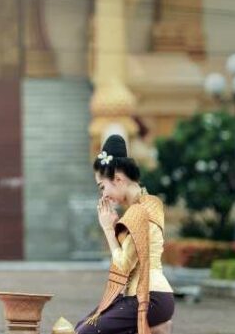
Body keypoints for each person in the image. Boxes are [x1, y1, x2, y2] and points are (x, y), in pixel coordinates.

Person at [73, 134, 174, 334]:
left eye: (103, 187)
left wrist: (109, 229)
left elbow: (123, 266)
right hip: (150, 296)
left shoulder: (138, 212)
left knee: (85, 332)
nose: (104, 195)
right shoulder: (150, 204)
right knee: (81, 327)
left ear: (118, 179)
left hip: (149, 296)